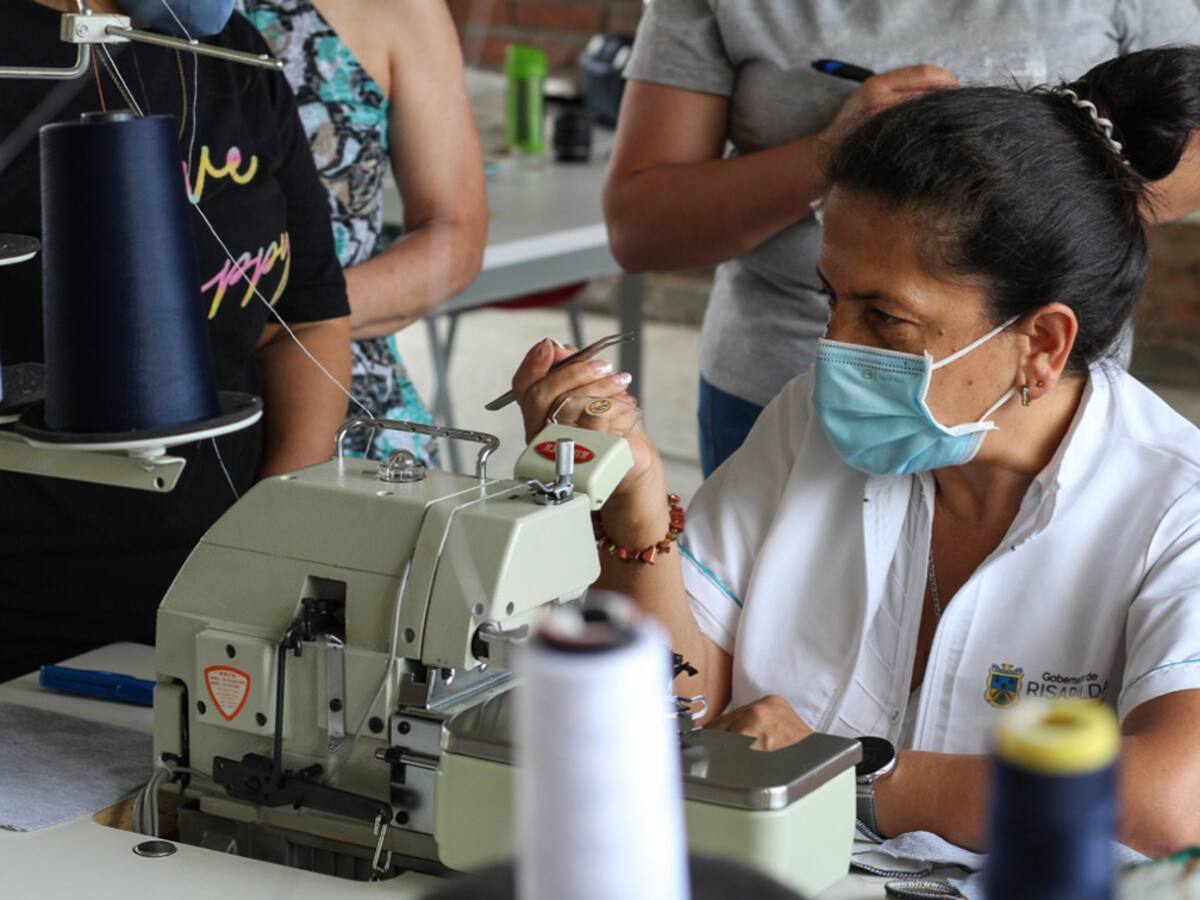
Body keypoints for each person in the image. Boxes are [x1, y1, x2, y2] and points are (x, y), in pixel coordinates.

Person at [515, 48, 1200, 856]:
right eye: (831, 300)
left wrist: (849, 774)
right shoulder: (813, 423)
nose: (836, 347)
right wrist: (634, 518)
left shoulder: (1172, 506)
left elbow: (1169, 801)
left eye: (886, 319)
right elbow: (680, 706)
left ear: (1041, 346)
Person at [604, 0, 1200, 476]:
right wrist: (833, 150)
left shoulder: (1168, 508)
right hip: (774, 376)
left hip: (1033, 409)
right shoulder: (789, 419)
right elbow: (640, 228)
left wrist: (1011, 186)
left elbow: (1183, 143)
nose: (837, 337)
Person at [0, 0, 351, 679]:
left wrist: (265, 542)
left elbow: (304, 320)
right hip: (18, 590)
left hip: (218, 585)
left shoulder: (230, 54)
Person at [239, 0, 487, 462]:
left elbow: (455, 235)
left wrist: (299, 321)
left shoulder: (399, 9)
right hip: (149, 387)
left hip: (346, 395)